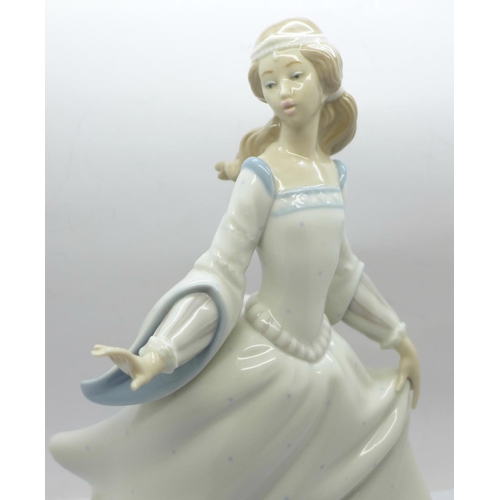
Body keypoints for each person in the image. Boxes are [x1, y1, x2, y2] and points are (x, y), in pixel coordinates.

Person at [50, 18, 430, 500]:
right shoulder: (262, 175)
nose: (283, 92)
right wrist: (161, 352)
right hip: (262, 359)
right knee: (213, 469)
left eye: (295, 76)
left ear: (325, 80)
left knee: (365, 443)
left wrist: (397, 337)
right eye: (270, 84)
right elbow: (222, 268)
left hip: (327, 361)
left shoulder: (333, 175)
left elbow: (340, 272)